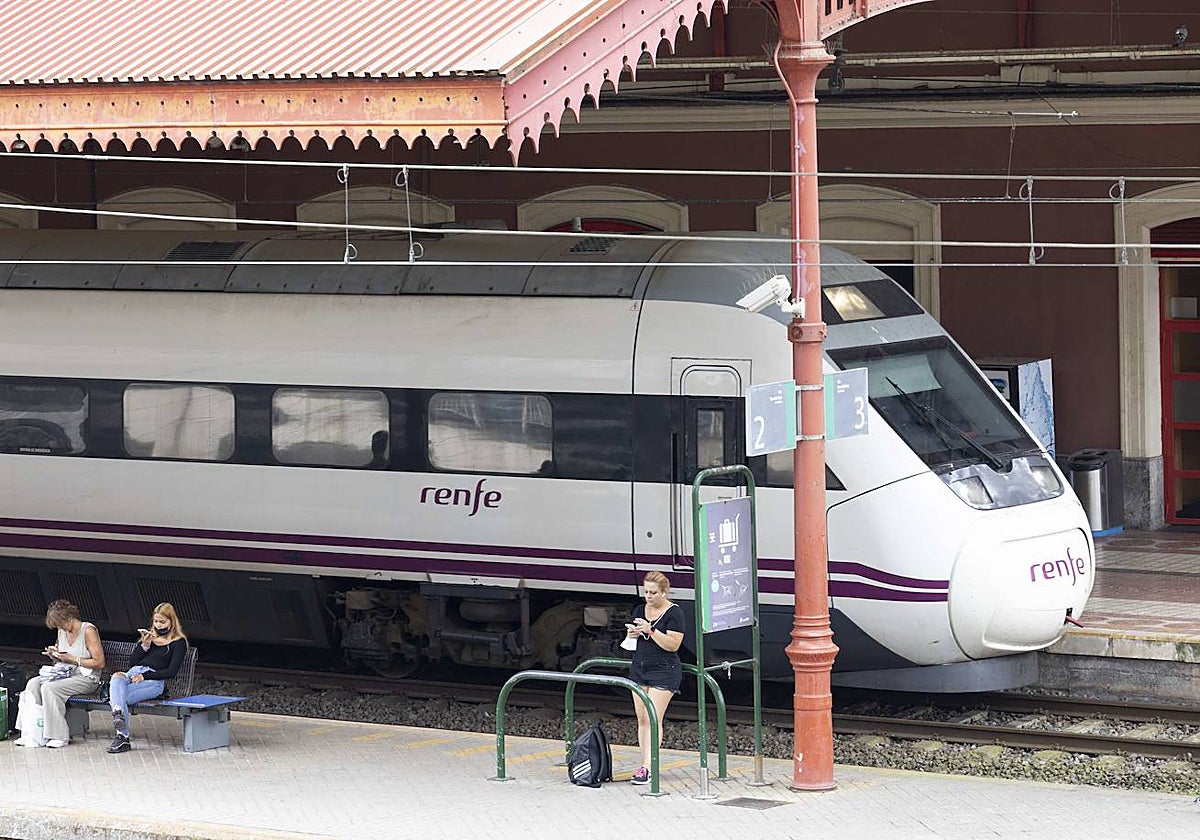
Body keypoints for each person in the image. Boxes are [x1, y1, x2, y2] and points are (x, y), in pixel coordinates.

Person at [15, 599, 105, 748]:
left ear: (69, 618)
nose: (60, 628)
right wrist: (55, 654)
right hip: (64, 674)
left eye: (60, 624)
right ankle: (31, 732)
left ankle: (58, 735)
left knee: (49, 689)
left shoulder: (88, 630)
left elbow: (99, 662)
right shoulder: (62, 631)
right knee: (33, 684)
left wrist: (73, 659)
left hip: (86, 677)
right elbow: (63, 656)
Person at [624, 571, 685, 785]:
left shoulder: (674, 613)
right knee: (641, 718)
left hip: (664, 669)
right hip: (640, 667)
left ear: (664, 592)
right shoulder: (640, 609)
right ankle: (644, 763)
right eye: (646, 592)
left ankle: (649, 766)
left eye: (653, 593)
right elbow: (637, 638)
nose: (648, 596)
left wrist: (650, 631)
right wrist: (633, 633)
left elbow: (673, 644)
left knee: (653, 718)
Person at [106, 602, 188, 754]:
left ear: (172, 621)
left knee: (117, 697)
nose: (158, 625)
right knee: (117, 677)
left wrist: (145, 676)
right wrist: (144, 645)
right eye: (156, 621)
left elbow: (171, 671)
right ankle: (118, 715)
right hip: (133, 674)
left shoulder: (178, 643)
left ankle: (122, 736)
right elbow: (132, 663)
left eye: (162, 622)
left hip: (153, 680)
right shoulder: (149, 639)